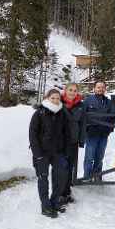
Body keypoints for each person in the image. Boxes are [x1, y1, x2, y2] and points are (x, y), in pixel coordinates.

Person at [29, 89, 70, 218]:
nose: (56, 100)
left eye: (58, 98)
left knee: (60, 177)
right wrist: (37, 153)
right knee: (43, 179)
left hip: (58, 152)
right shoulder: (39, 113)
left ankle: (54, 201)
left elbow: (67, 133)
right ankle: (45, 206)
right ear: (47, 98)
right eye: (53, 98)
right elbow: (32, 134)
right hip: (42, 152)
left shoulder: (62, 113)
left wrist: (65, 151)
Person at [83, 81, 115, 182]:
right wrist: (86, 129)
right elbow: (83, 116)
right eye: (98, 87)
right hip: (92, 134)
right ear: (94, 88)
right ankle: (87, 177)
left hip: (103, 134)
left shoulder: (108, 102)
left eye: (102, 87)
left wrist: (109, 129)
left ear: (105, 89)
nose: (100, 89)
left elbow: (112, 117)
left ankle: (97, 175)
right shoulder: (88, 100)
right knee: (89, 157)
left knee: (99, 156)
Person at [60, 83, 85, 204]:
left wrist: (81, 140)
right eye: (70, 90)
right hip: (60, 142)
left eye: (75, 90)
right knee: (60, 167)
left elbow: (83, 124)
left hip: (73, 142)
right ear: (65, 91)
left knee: (70, 167)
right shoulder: (58, 102)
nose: (72, 92)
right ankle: (59, 193)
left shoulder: (80, 105)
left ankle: (67, 192)